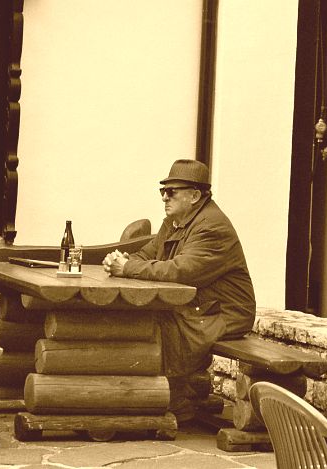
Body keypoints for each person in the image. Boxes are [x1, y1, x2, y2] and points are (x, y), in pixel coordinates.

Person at [103, 159, 256, 424]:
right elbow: (147, 254)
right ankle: (164, 394)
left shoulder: (212, 227)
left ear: (195, 196)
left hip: (224, 313)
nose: (165, 197)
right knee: (145, 318)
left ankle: (173, 400)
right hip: (199, 307)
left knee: (157, 325)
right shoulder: (175, 222)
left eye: (172, 191)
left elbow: (180, 271)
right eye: (163, 191)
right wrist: (122, 260)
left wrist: (127, 268)